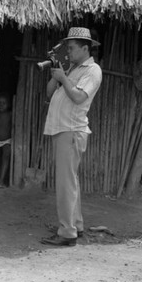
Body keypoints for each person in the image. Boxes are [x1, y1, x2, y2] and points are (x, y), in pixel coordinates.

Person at [40, 27, 102, 247]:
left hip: (71, 130)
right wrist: (56, 76)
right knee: (70, 181)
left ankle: (67, 232)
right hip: (63, 129)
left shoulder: (92, 70)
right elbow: (50, 93)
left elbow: (77, 97)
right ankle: (76, 224)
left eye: (73, 48)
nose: (69, 52)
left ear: (86, 48)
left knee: (65, 184)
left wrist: (63, 78)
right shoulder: (73, 68)